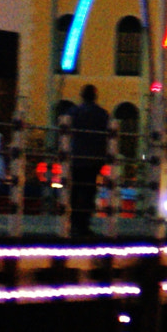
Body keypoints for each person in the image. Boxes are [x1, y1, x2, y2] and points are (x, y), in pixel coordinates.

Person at [67, 84, 110, 239]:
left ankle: (73, 224)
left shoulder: (74, 112)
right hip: (93, 159)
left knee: (75, 191)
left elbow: (66, 130)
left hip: (76, 158)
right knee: (89, 192)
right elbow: (106, 136)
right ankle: (84, 225)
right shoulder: (102, 114)